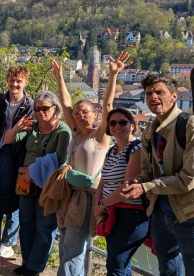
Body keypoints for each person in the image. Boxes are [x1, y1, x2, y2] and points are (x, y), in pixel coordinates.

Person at [122, 72, 194, 276]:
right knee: (167, 268)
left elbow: (189, 179)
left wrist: (146, 186)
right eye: (148, 93)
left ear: (174, 96)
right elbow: (147, 170)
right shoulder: (149, 130)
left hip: (188, 213)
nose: (153, 97)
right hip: (160, 211)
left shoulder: (189, 126)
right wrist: (138, 180)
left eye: (159, 92)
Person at [52, 56, 115, 276]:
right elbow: (65, 104)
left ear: (95, 114)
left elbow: (108, 105)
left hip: (87, 197)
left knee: (74, 248)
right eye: (77, 113)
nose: (79, 115)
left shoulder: (101, 136)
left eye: (85, 112)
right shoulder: (77, 132)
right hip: (70, 193)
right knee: (65, 244)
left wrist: (113, 74)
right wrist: (59, 78)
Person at [3, 91, 71, 276]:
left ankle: (35, 267)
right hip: (26, 184)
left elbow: (59, 159)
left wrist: (32, 171)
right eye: (37, 108)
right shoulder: (32, 127)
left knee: (44, 226)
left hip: (47, 184)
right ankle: (26, 262)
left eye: (45, 108)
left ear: (55, 109)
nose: (41, 112)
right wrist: (17, 127)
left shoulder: (62, 130)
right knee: (26, 223)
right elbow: (8, 140)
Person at [0, 66, 33, 259]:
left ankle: (8, 244)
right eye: (11, 80)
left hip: (17, 158)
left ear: (25, 82)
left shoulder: (30, 105)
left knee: (14, 203)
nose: (14, 84)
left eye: (19, 81)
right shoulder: (1, 99)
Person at [94, 107, 147, 276]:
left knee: (116, 264)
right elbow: (103, 181)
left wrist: (102, 204)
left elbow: (126, 189)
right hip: (112, 211)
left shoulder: (137, 149)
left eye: (123, 122)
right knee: (121, 263)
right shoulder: (112, 150)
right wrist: (98, 205)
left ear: (133, 125)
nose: (117, 126)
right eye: (113, 123)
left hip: (131, 214)